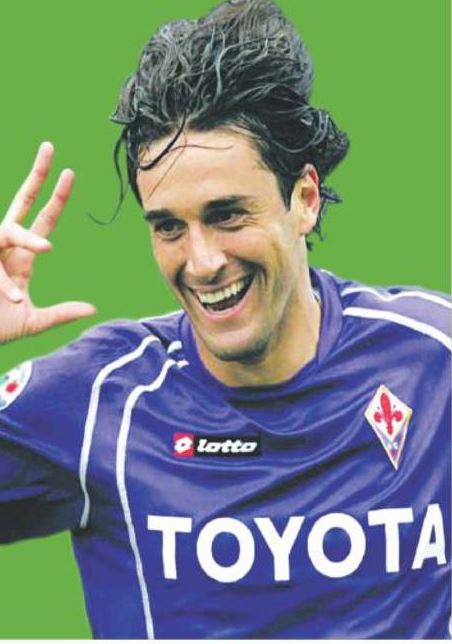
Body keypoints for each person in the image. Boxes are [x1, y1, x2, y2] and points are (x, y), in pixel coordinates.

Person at [0, 0, 450, 638]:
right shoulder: (98, 401)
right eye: (168, 228)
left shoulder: (433, 360)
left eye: (227, 215)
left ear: (304, 198)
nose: (203, 261)